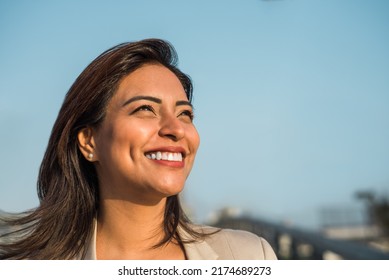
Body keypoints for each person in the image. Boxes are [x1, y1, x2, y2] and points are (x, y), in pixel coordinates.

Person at [0, 39, 277, 260]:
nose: (176, 129)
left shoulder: (249, 257)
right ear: (89, 142)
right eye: (145, 109)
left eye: (185, 114)